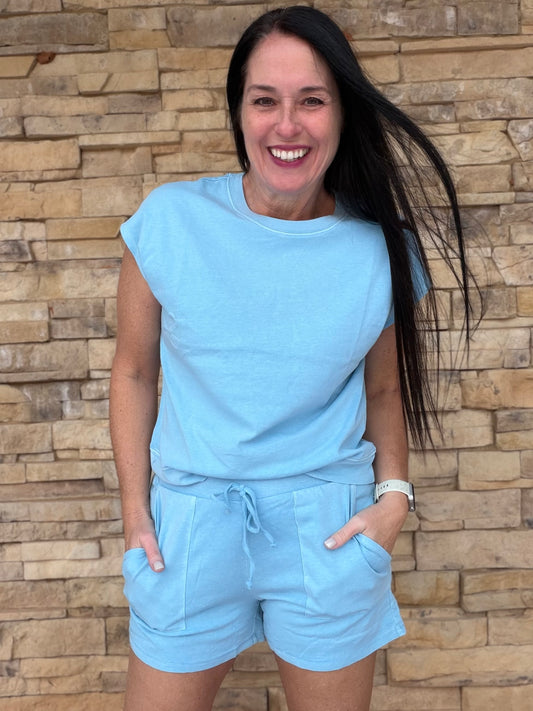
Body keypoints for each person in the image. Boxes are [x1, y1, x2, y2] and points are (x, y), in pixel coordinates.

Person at [110, 6, 472, 711]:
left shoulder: (379, 247)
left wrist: (393, 499)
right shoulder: (169, 222)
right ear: (238, 112)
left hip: (326, 531)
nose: (287, 125)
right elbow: (133, 371)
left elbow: (383, 391)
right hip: (188, 528)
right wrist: (135, 511)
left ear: (341, 113)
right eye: (264, 100)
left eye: (311, 100)